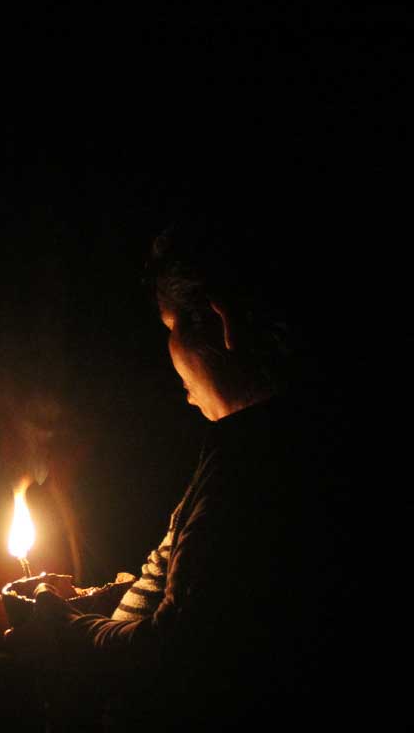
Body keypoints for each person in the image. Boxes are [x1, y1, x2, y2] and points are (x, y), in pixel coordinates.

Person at [27, 215, 360, 730]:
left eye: (169, 328)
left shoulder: (263, 470)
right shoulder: (238, 446)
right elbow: (186, 592)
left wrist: (65, 631)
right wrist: (96, 601)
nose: (168, 355)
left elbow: (178, 657)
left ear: (219, 320)